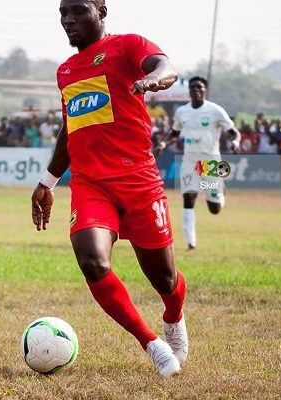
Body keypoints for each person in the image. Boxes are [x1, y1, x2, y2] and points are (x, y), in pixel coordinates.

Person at [31, 0, 186, 378]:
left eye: (78, 11)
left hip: (139, 181)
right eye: (63, 13)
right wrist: (47, 181)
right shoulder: (65, 71)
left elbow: (165, 66)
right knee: (92, 261)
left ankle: (174, 317)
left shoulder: (128, 45)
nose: (69, 20)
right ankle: (152, 344)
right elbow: (71, 130)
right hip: (89, 184)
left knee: (163, 278)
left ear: (101, 10)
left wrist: (155, 79)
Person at [153, 76, 241, 250]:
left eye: (199, 87)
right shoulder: (182, 112)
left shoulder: (215, 110)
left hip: (210, 161)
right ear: (189, 91)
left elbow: (233, 132)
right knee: (188, 197)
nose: (195, 90)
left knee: (214, 208)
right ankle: (191, 243)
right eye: (192, 87)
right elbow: (175, 133)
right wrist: (163, 143)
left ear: (205, 91)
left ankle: (220, 192)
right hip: (190, 160)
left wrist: (236, 142)